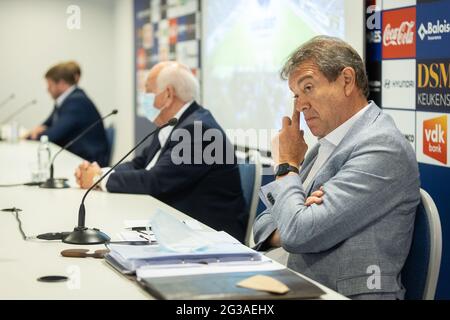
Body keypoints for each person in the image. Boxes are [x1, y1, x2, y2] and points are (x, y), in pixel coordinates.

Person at [253, 36, 420, 300]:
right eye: (296, 95)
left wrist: (286, 165)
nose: (300, 105)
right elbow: (262, 224)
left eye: (308, 88)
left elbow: (298, 233)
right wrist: (294, 216)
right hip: (297, 285)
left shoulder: (382, 146)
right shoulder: (323, 145)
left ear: (346, 80)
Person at [75, 61, 247, 242]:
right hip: (177, 224)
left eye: (148, 91)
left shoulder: (198, 130)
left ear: (168, 94)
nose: (143, 98)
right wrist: (100, 173)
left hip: (209, 236)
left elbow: (155, 181)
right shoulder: (173, 123)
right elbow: (140, 163)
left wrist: (97, 179)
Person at [27, 62, 109, 166]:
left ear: (61, 84)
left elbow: (53, 135)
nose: (47, 89)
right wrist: (35, 131)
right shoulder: (67, 99)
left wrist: (32, 136)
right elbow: (47, 124)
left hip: (89, 161)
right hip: (75, 156)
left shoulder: (76, 102)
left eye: (50, 85)